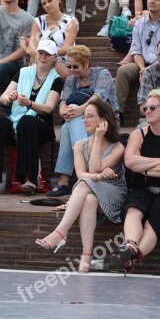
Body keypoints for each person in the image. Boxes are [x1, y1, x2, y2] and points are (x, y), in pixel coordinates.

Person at [36, 100, 126, 272]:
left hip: (114, 193)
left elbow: (92, 169)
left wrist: (98, 139)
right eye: (84, 116)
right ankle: (86, 255)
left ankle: (61, 232)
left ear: (104, 120)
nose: (85, 120)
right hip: (90, 191)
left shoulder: (118, 147)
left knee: (86, 183)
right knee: (90, 198)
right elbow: (81, 174)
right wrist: (97, 176)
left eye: (90, 116)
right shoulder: (79, 145)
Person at [0, 40, 63, 194]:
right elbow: (3, 98)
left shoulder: (57, 80)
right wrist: (10, 98)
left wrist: (29, 103)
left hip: (41, 126)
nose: (43, 56)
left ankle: (30, 179)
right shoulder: (23, 72)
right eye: (40, 52)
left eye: (47, 54)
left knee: (27, 121)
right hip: (16, 121)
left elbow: (48, 108)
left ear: (54, 58)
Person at [51, 44, 119, 197]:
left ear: (87, 63)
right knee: (66, 127)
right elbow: (64, 100)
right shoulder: (70, 80)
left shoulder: (102, 73)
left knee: (71, 118)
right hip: (80, 122)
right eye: (69, 66)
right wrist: (63, 110)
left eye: (76, 66)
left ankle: (66, 179)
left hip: (104, 120)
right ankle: (70, 178)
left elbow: (98, 98)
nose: (72, 69)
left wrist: (80, 110)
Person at [110, 89, 160, 275]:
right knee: (133, 210)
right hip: (142, 187)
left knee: (151, 225)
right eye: (146, 107)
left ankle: (133, 255)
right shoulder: (139, 134)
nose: (147, 111)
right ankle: (130, 245)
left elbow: (137, 163)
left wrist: (144, 166)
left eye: (153, 107)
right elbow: (130, 162)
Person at [116, 0, 160, 115]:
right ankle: (118, 112)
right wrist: (141, 68)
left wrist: (151, 68)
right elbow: (136, 50)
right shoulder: (139, 24)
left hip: (158, 65)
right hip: (141, 63)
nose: (152, 1)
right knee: (123, 71)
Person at [28, 0, 79, 79]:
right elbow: (31, 48)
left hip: (62, 61)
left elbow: (65, 49)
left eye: (50, 1)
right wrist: (42, 57)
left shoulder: (71, 21)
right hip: (40, 60)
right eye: (44, 3)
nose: (47, 5)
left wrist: (47, 56)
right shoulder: (38, 21)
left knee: (44, 65)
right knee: (33, 62)